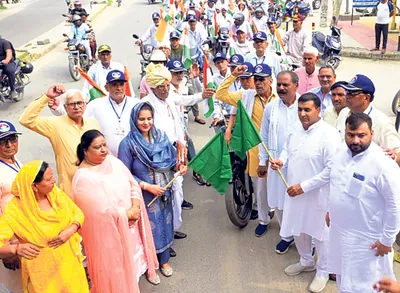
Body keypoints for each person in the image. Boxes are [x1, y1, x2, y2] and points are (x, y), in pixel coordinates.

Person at [270, 93, 340, 293]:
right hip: (294, 190)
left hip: (318, 195)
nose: (302, 114)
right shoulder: (295, 129)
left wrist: (305, 186)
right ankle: (306, 260)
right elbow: (287, 150)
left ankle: (323, 271)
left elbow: (331, 170)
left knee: (321, 234)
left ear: (318, 110)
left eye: (307, 109)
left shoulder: (329, 134)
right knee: (298, 228)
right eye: (300, 109)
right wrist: (281, 161)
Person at [73, 130, 159, 290]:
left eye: (104, 145)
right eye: (97, 147)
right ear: (85, 151)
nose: (104, 150)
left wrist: (135, 206)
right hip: (110, 237)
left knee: (132, 268)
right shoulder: (83, 179)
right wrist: (128, 214)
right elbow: (100, 212)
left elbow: (132, 183)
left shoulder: (112, 161)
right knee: (116, 273)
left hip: (131, 229)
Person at [327, 113, 400, 293]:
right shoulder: (341, 152)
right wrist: (331, 210)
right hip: (340, 232)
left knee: (365, 286)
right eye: (351, 135)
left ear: (372, 134)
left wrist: (387, 239)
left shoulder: (382, 164)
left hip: (366, 240)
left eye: (361, 135)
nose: (355, 140)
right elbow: (336, 184)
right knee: (343, 280)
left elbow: (395, 204)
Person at [119, 102, 188, 278]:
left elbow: (172, 162)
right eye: (141, 119)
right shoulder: (127, 144)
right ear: (134, 120)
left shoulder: (162, 138)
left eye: (149, 118)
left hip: (164, 192)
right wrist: (147, 186)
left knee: (164, 226)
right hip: (143, 196)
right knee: (146, 231)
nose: (146, 123)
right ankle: (149, 266)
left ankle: (164, 260)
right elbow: (124, 175)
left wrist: (179, 167)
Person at [0, 160, 89, 293]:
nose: (54, 181)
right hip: (43, 275)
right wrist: (16, 249)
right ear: (35, 186)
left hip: (70, 266)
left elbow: (77, 213)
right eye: (49, 179)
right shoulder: (15, 211)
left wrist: (70, 230)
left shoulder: (54, 194)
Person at [216, 64, 277, 237]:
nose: (258, 83)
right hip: (256, 151)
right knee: (260, 188)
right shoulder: (247, 96)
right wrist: (233, 75)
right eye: (256, 79)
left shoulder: (279, 97)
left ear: (270, 80)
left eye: (262, 79)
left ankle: (286, 227)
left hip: (278, 150)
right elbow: (221, 95)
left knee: (280, 187)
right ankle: (264, 220)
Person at [141, 63, 190, 252]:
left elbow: (177, 125)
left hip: (175, 156)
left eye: (167, 85)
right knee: (162, 198)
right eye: (161, 86)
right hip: (157, 161)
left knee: (177, 192)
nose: (165, 89)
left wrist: (181, 145)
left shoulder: (169, 100)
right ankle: (163, 240)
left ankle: (173, 228)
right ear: (152, 87)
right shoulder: (145, 105)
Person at [19, 85, 100, 197]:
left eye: (79, 103)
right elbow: (25, 120)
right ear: (65, 107)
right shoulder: (56, 125)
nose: (76, 107)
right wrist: (46, 97)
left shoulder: (93, 123)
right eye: (72, 104)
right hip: (71, 191)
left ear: (85, 105)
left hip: (96, 185)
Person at [258, 71, 299, 254]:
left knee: (300, 201)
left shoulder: (304, 106)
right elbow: (264, 135)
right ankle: (286, 236)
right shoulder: (271, 108)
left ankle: (304, 238)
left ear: (296, 86)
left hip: (298, 164)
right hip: (276, 163)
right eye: (279, 85)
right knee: (279, 201)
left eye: (286, 85)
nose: (281, 88)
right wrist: (262, 160)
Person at [336, 74, 400, 165]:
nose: (347, 96)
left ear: (366, 97)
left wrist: (395, 157)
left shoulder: (381, 122)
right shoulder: (344, 113)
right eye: (347, 92)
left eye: (352, 93)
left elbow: (397, 155)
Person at [85, 70, 137, 157]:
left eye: (121, 84)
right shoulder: (95, 105)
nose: (119, 88)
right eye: (114, 85)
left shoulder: (136, 104)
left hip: (133, 156)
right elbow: (80, 121)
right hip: (105, 158)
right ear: (106, 87)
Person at [0, 121, 22, 293]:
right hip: (11, 242)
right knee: (17, 287)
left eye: (12, 139)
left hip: (26, 236)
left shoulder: (16, 162)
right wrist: (8, 248)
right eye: (2, 142)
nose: (9, 145)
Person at [224, 62, 255, 145]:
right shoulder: (242, 94)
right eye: (242, 79)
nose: (244, 82)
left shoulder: (264, 93)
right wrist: (228, 129)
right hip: (246, 135)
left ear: (254, 78)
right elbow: (233, 113)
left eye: (247, 78)